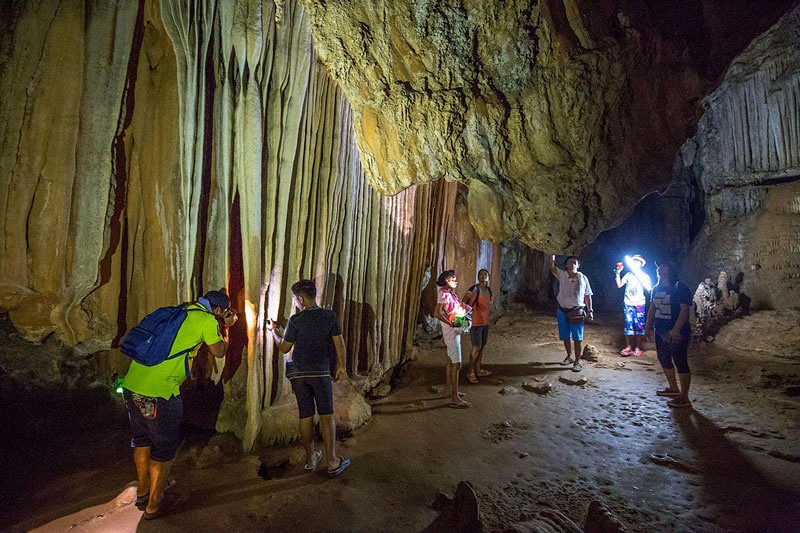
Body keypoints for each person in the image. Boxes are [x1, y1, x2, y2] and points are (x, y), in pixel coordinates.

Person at [122, 290, 236, 520]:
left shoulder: (181, 311)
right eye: (223, 312)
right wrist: (226, 327)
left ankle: (143, 492)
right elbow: (220, 351)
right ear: (217, 310)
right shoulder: (205, 320)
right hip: (160, 394)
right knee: (164, 450)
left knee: (142, 440)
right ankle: (155, 504)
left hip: (132, 387)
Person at [267, 279, 350, 477]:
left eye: (295, 299)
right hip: (320, 372)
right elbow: (339, 343)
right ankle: (331, 462)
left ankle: (311, 459)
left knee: (305, 415)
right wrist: (341, 367)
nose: (296, 303)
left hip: (298, 374)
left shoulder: (296, 321)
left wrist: (274, 333)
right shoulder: (329, 316)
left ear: (301, 299)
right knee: (326, 415)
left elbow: (284, 347)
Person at [645, 260, 693, 408]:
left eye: (664, 266)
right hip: (660, 330)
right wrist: (647, 327)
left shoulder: (679, 287)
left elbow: (684, 310)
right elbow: (652, 308)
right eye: (659, 266)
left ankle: (684, 397)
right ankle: (673, 388)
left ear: (671, 269)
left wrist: (677, 329)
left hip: (676, 331)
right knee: (664, 358)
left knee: (680, 361)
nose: (660, 268)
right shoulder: (656, 288)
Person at [547, 255, 594, 372]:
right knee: (565, 336)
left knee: (578, 338)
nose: (572, 264)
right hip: (562, 310)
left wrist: (590, 310)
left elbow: (587, 295)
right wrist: (551, 253)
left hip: (576, 311)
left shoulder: (583, 278)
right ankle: (569, 356)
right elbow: (551, 266)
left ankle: (578, 361)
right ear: (566, 265)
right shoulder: (562, 275)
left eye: (575, 262)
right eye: (570, 262)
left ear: (578, 265)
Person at [434, 270, 472, 408]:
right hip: (451, 332)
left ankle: (449, 389)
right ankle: (454, 398)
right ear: (446, 280)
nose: (456, 281)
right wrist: (450, 323)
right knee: (457, 364)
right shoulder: (443, 294)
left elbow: (456, 309)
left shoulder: (450, 294)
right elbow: (437, 313)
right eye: (453, 279)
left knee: (450, 361)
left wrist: (465, 299)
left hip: (454, 330)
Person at [615, 254, 651, 357]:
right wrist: (618, 273)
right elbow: (619, 285)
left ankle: (638, 347)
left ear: (641, 264)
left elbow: (649, 289)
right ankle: (629, 346)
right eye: (634, 261)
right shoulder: (628, 275)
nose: (636, 263)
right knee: (628, 325)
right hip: (628, 303)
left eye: (638, 262)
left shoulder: (644, 276)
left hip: (639, 303)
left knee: (639, 326)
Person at [463, 268, 493, 384]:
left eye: (485, 274)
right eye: (480, 274)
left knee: (482, 347)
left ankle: (478, 369)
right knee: (476, 348)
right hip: (475, 323)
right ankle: (470, 372)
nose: (483, 276)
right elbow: (464, 301)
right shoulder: (475, 290)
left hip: (485, 323)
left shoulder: (488, 290)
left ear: (488, 277)